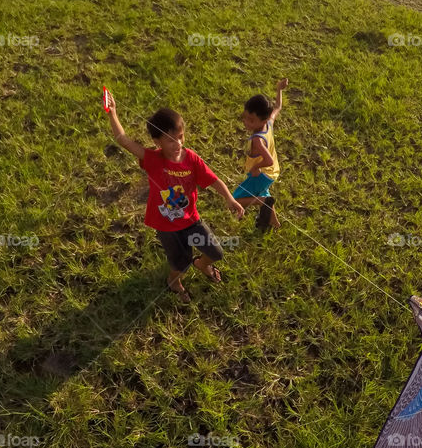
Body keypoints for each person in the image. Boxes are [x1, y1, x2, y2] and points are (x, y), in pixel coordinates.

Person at [105, 91, 244, 303]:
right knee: (180, 262)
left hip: (191, 221)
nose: (177, 144)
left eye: (180, 137)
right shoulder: (152, 159)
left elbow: (214, 180)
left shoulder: (192, 160)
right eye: (170, 140)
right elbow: (123, 140)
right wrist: (113, 113)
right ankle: (174, 281)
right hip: (167, 226)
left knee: (215, 251)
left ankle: (203, 264)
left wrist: (229, 198)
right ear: (157, 141)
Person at [233, 78, 288, 230]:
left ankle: (262, 201)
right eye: (244, 117)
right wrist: (279, 89)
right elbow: (278, 106)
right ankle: (274, 223)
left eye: (251, 120)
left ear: (262, 120)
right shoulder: (269, 122)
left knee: (236, 199)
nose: (245, 122)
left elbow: (268, 160)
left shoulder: (257, 140)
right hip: (272, 173)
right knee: (265, 193)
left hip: (262, 173)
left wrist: (256, 167)